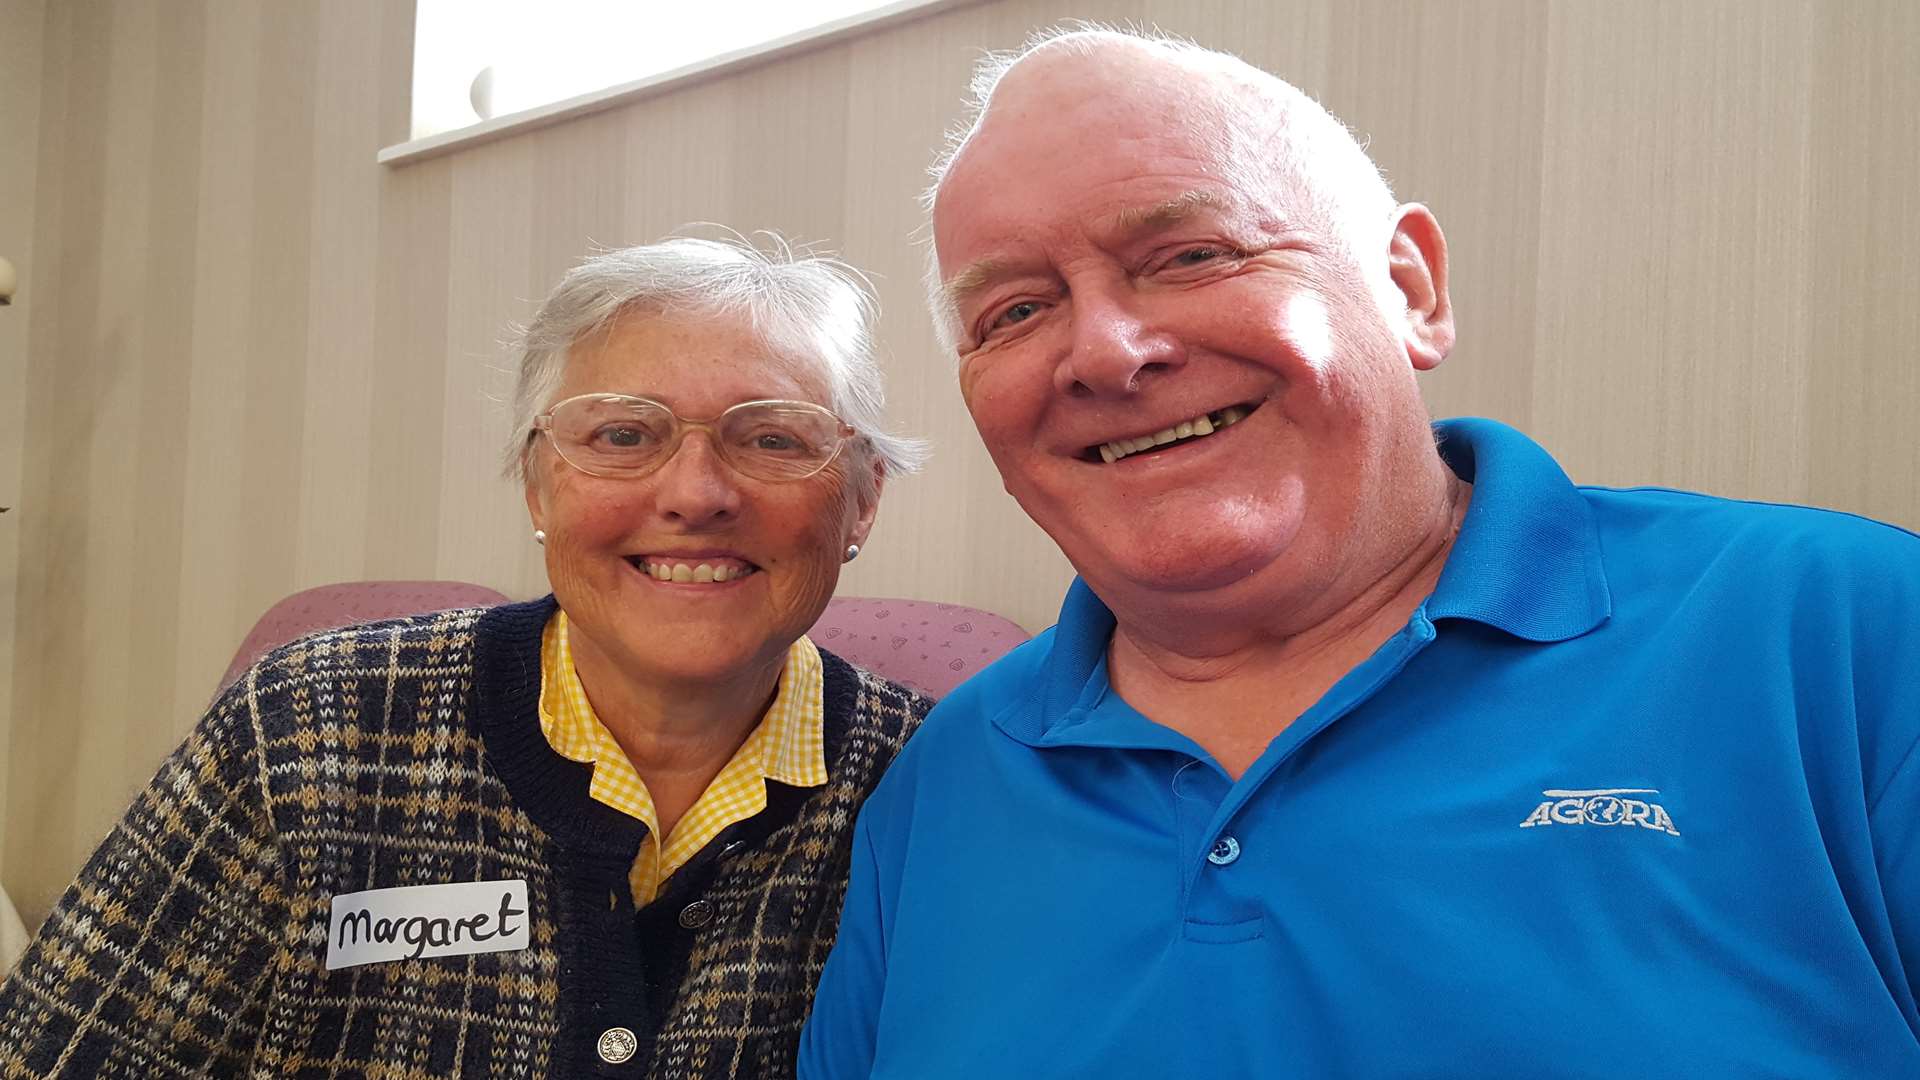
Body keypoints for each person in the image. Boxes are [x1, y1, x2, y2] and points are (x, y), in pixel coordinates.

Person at [800, 26, 1920, 1078]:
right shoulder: (947, 774)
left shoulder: (1847, 634)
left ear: (1410, 290)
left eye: (1192, 253)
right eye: (1012, 313)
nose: (1104, 352)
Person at [0, 236, 932, 1078]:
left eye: (771, 438)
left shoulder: (936, 785)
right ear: (537, 483)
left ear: (862, 500)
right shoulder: (306, 724)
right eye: (622, 435)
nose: (695, 492)